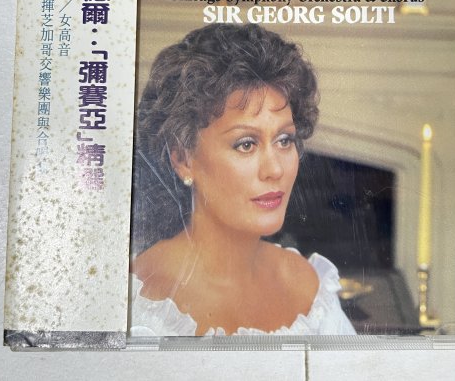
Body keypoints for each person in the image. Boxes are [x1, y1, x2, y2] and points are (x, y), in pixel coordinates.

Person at [129, 23, 356, 336]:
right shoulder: (137, 302)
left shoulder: (309, 288)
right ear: (183, 159)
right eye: (246, 144)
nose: (274, 170)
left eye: (284, 140)